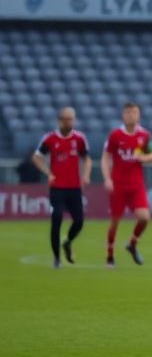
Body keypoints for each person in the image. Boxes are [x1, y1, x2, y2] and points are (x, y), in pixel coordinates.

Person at [32, 107, 91, 267]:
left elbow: (86, 159)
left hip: (74, 188)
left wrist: (85, 175)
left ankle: (67, 242)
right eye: (65, 119)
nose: (68, 122)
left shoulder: (79, 139)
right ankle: (57, 258)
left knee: (78, 222)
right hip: (57, 187)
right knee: (56, 217)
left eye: (71, 119)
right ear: (59, 121)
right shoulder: (50, 139)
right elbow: (37, 157)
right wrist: (48, 172)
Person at [101, 102, 152, 266]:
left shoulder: (144, 135)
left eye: (134, 112)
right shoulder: (115, 135)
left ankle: (132, 243)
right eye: (128, 113)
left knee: (144, 217)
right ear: (123, 115)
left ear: (138, 115)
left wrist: (144, 158)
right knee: (115, 221)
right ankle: (110, 257)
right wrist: (107, 178)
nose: (131, 115)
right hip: (118, 184)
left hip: (136, 184)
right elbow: (105, 157)